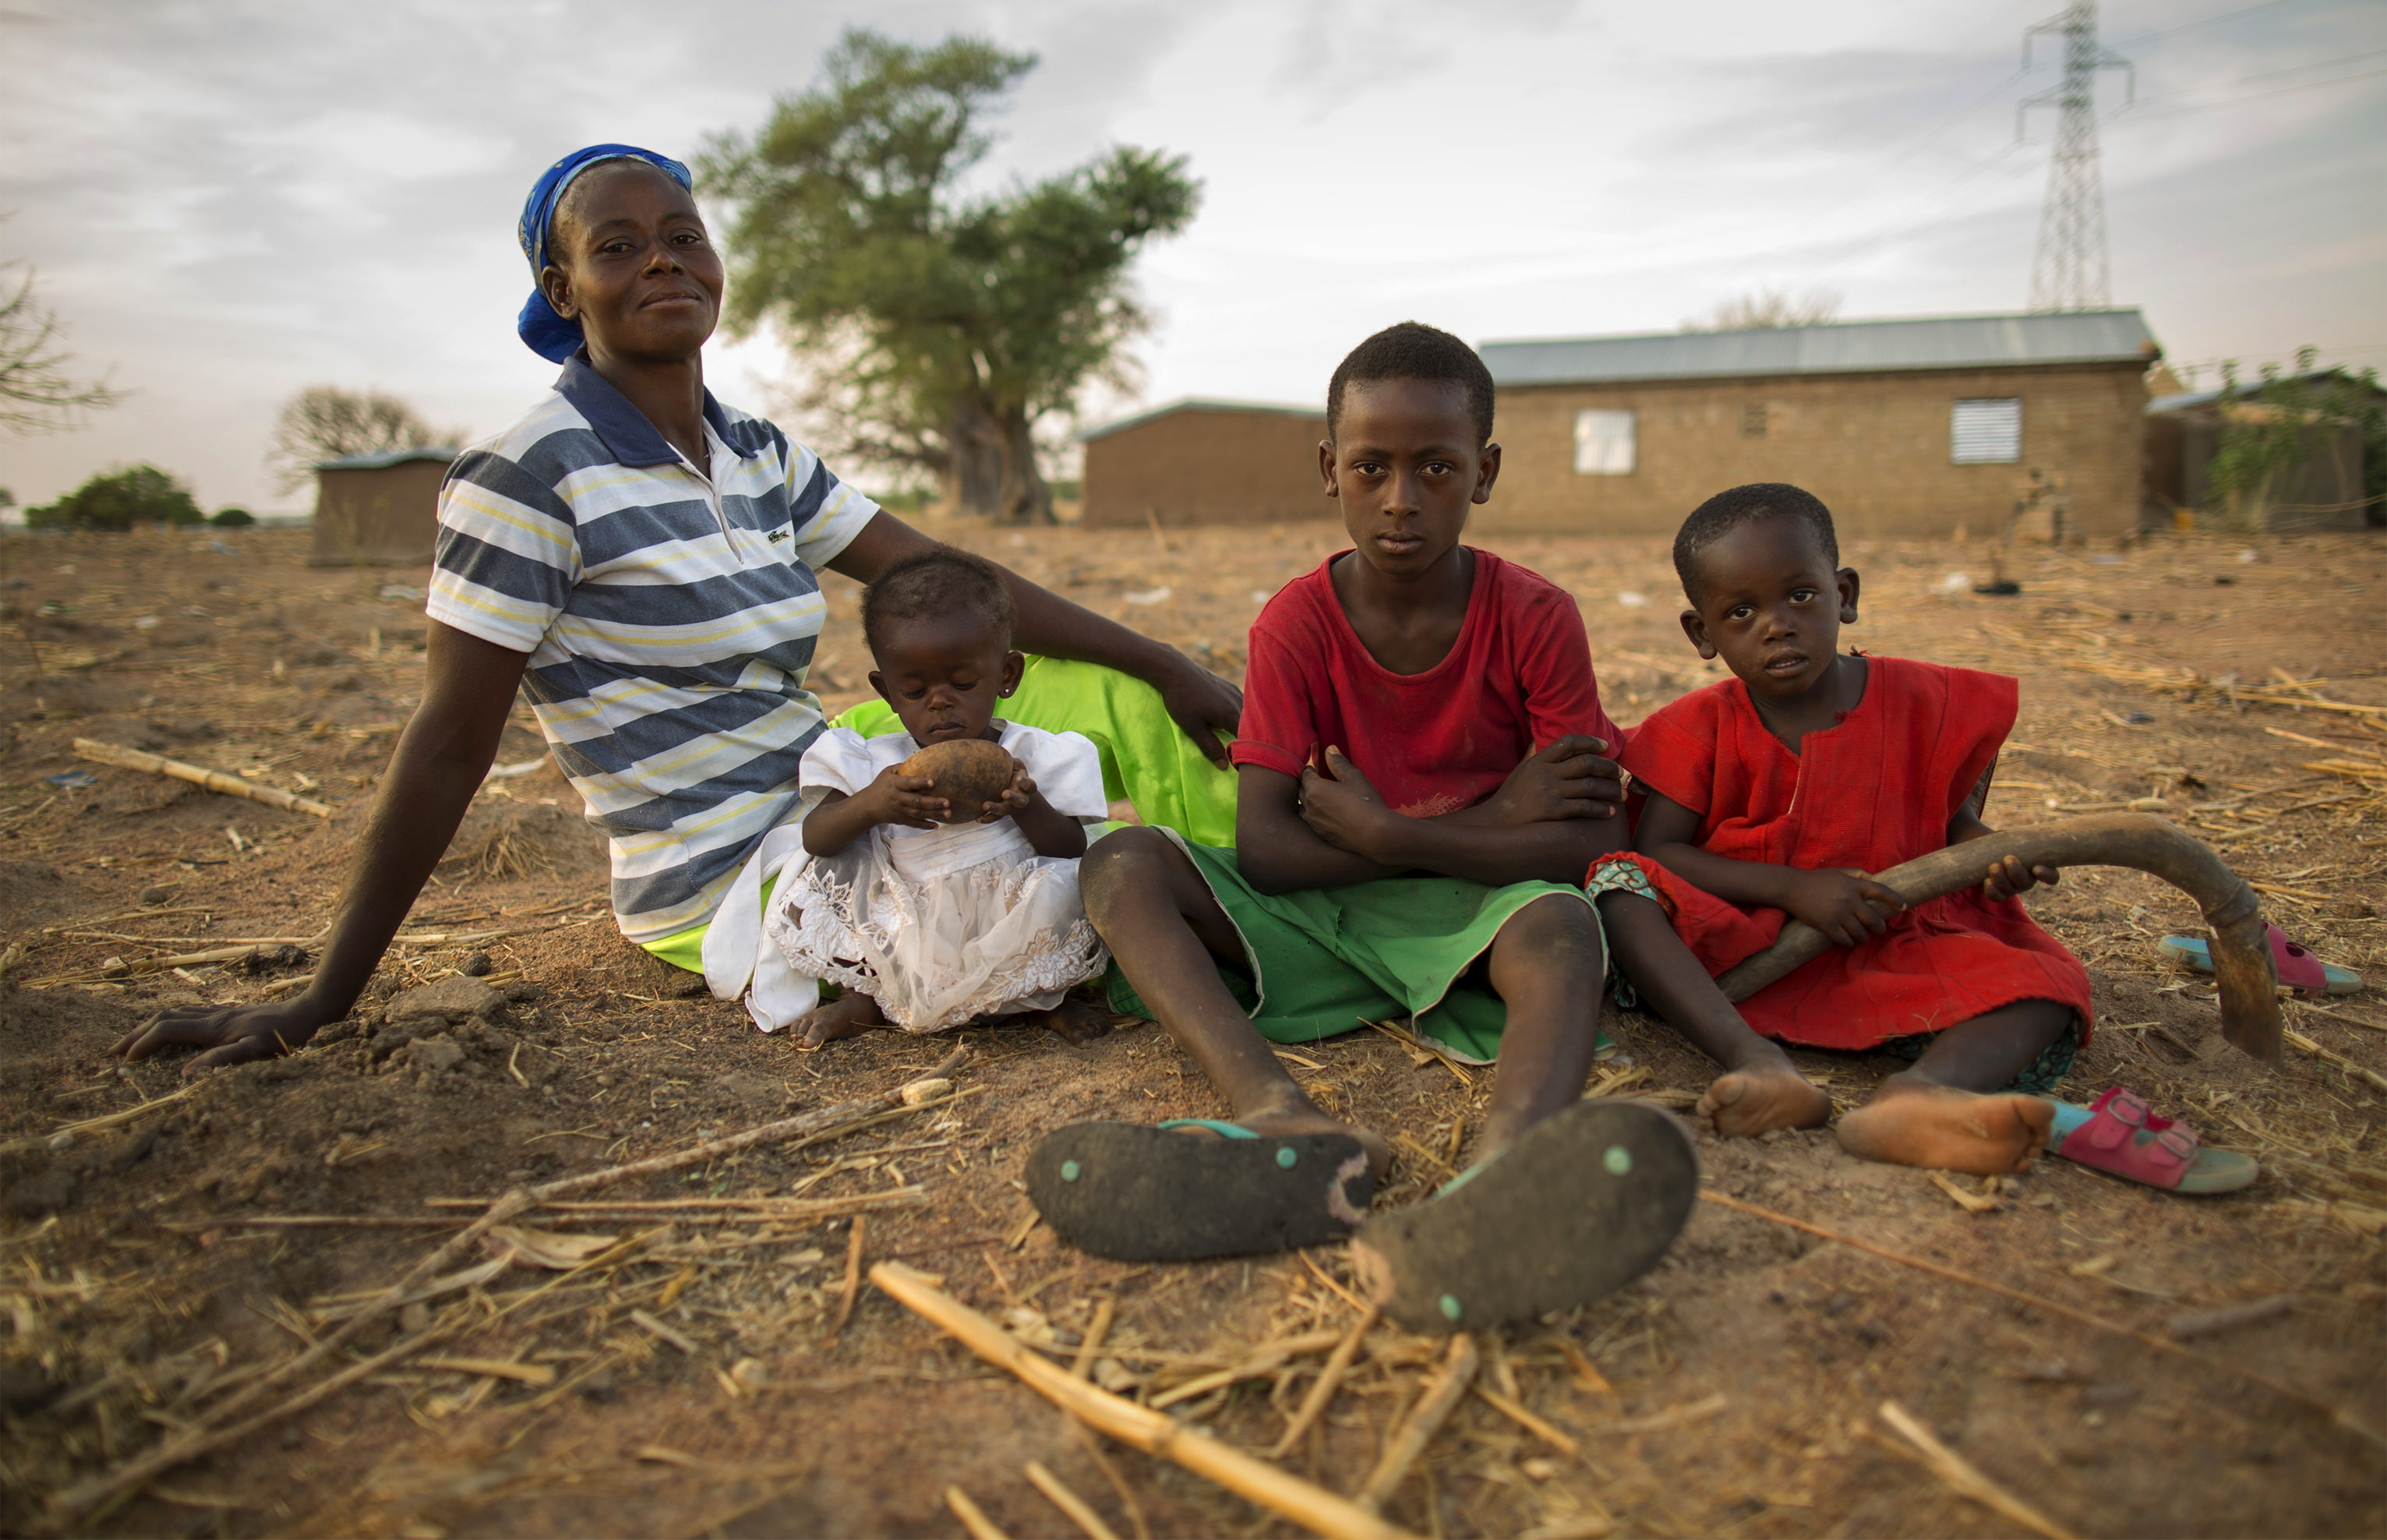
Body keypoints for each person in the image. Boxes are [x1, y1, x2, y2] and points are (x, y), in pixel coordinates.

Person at [110, 143, 1236, 1070]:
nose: (662, 260)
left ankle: (1281, 874)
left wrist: (1169, 662)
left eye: (683, 236)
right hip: (730, 866)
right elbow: (450, 744)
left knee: (1095, 687)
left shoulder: (751, 450)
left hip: (824, 772)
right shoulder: (525, 476)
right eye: (617, 246)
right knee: (1031, 914)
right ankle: (1243, 946)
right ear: (563, 293)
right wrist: (322, 996)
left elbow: (948, 583)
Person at [1026, 323, 1701, 1333]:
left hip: (1477, 911)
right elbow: (1264, 850)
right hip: (1323, 902)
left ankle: (1499, 1179)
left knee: (1564, 923)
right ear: (1325, 468)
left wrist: (1394, 836)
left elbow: (1579, 845)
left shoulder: (1534, 615)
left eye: (1435, 467)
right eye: (1370, 466)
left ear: (1484, 472)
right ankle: (1276, 1114)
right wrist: (1485, 817)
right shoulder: (1293, 623)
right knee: (1124, 861)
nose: (1399, 497)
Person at [1614, 482, 2253, 1192]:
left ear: (1844, 593)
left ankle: (1921, 1095)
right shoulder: (1695, 728)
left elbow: (1950, 826)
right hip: (1742, 944)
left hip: (1894, 937)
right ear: (1701, 633)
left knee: (2047, 984)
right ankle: (1757, 1064)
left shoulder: (1925, 703)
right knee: (1617, 887)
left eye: (1799, 596)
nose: (1776, 625)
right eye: (1741, 612)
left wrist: (1989, 859)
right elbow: (1658, 852)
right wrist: (1794, 887)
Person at [768, 546, 1110, 1045]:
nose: (940, 702)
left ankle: (1044, 1000)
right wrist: (871, 804)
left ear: (1007, 676)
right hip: (911, 912)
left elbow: (1069, 848)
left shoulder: (1036, 755)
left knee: (1070, 885)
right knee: (838, 876)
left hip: (1007, 908)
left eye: (964, 682)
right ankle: (864, 1004)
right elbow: (816, 839)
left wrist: (1028, 805)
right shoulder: (867, 762)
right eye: (913, 691)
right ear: (885, 692)